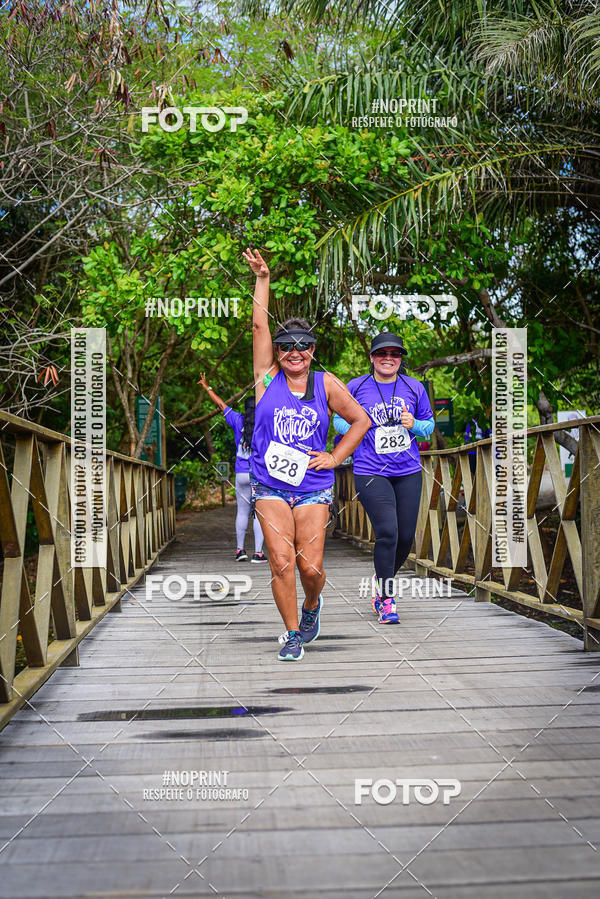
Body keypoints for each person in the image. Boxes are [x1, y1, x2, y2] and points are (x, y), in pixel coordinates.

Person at [242, 247, 371, 661]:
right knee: (281, 561)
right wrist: (263, 278)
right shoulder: (267, 379)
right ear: (278, 352)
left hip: (313, 486)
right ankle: (292, 633)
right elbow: (259, 326)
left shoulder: (325, 383)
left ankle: (312, 605)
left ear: (312, 350)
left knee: (310, 568)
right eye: (286, 347)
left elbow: (361, 421)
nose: (293, 352)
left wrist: (335, 458)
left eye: (302, 346)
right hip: (269, 485)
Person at [333, 332, 435, 623]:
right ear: (372, 358)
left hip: (408, 471)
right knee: (388, 532)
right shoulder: (356, 386)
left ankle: (381, 584)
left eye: (395, 353)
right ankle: (387, 599)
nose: (388, 358)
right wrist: (359, 423)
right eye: (382, 353)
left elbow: (428, 427)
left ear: (400, 359)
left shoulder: (414, 388)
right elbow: (338, 420)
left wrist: (414, 424)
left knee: (404, 537)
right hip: (370, 471)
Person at [198, 375, 267, 563]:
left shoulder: (237, 420)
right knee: (258, 513)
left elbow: (221, 405)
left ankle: (240, 550)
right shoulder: (264, 423)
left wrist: (207, 387)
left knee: (242, 512)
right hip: (258, 474)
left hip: (241, 473)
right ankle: (258, 553)